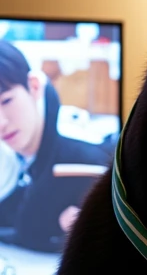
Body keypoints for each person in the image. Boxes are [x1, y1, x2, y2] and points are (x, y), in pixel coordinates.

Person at [0, 40, 112, 252]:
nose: (2, 123)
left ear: (33, 86)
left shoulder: (86, 159)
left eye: (6, 101)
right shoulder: (9, 159)